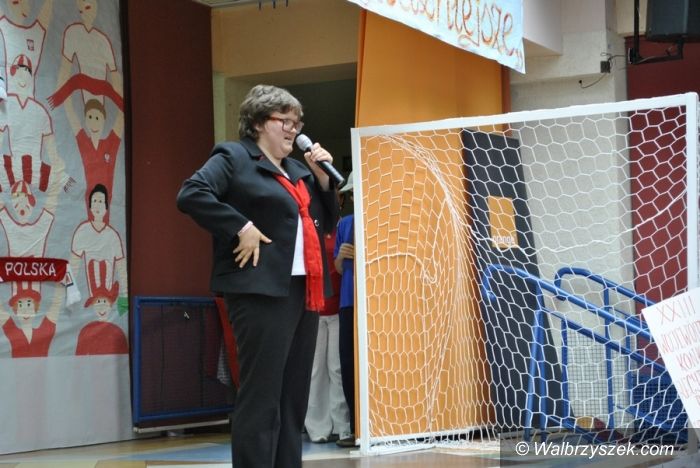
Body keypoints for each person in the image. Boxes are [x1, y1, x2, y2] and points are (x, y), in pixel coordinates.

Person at [176, 84, 339, 468]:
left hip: (303, 289)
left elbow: (326, 222)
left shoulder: (299, 170)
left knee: (292, 399)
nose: (294, 130)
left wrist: (323, 180)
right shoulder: (234, 157)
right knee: (261, 396)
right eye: (285, 121)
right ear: (258, 122)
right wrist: (240, 226)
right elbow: (191, 193)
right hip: (260, 290)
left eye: (297, 123)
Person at [304, 227, 351, 444]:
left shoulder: (342, 228)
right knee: (315, 371)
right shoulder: (308, 227)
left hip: (338, 307)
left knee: (337, 368)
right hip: (313, 309)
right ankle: (317, 428)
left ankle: (342, 426)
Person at [334, 171, 357, 448]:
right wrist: (341, 256)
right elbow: (338, 268)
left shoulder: (380, 219)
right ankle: (355, 427)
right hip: (347, 302)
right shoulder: (345, 224)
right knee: (347, 365)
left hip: (375, 302)